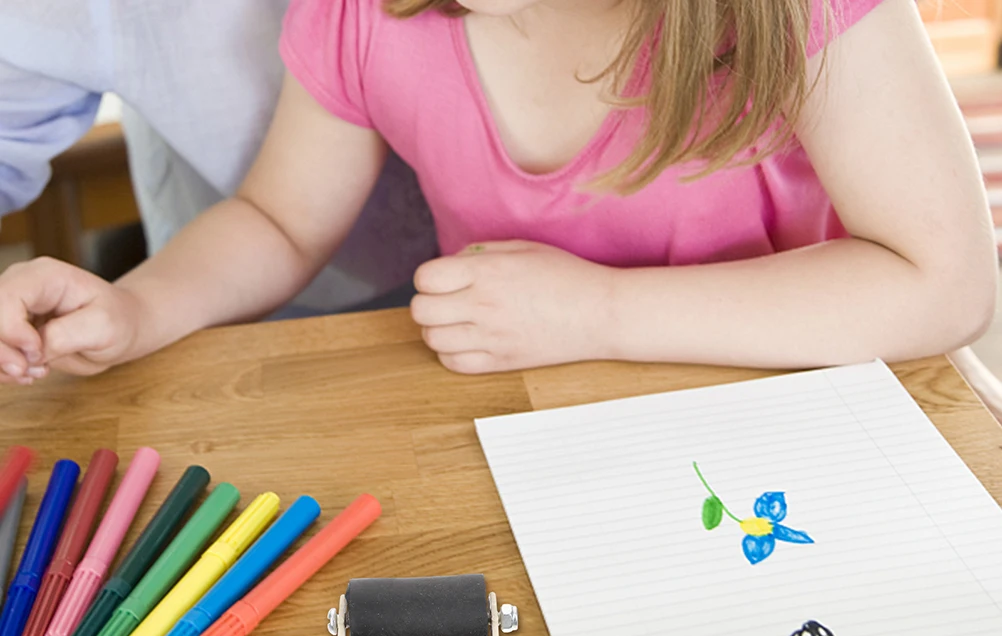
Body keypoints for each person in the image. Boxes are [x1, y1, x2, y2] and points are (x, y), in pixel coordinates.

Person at [0, 0, 995, 385]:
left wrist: (598, 311)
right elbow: (278, 220)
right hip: (532, 425)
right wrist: (139, 306)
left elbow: (944, 284)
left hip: (782, 397)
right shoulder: (364, 15)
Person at [0, 0, 437, 355]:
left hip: (471, 308)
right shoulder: (343, 21)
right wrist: (135, 310)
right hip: (236, 291)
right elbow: (279, 223)